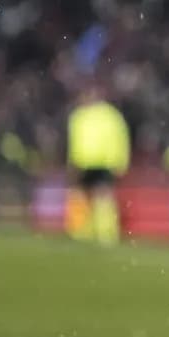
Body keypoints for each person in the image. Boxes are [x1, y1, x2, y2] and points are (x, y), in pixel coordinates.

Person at [65, 84, 131, 245]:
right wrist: (72, 162)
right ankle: (81, 231)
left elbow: (120, 139)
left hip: (104, 162)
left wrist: (120, 162)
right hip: (82, 162)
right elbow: (74, 141)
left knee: (102, 197)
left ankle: (106, 233)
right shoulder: (78, 115)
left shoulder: (110, 115)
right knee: (81, 197)